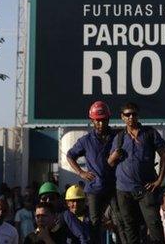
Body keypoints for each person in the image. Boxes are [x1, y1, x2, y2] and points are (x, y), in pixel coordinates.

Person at [108, 102, 165, 244]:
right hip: (124, 190)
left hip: (146, 188)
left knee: (154, 224)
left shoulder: (149, 133)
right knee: (130, 227)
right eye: (127, 114)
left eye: (133, 114)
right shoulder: (119, 138)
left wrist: (159, 180)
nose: (131, 117)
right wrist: (114, 156)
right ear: (122, 117)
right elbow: (110, 163)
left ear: (138, 115)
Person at [67, 100, 119, 244]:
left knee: (120, 220)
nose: (101, 124)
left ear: (108, 119)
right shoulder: (85, 140)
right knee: (94, 224)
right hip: (94, 189)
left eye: (103, 120)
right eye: (97, 121)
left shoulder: (118, 137)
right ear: (92, 121)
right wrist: (80, 172)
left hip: (114, 187)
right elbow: (70, 155)